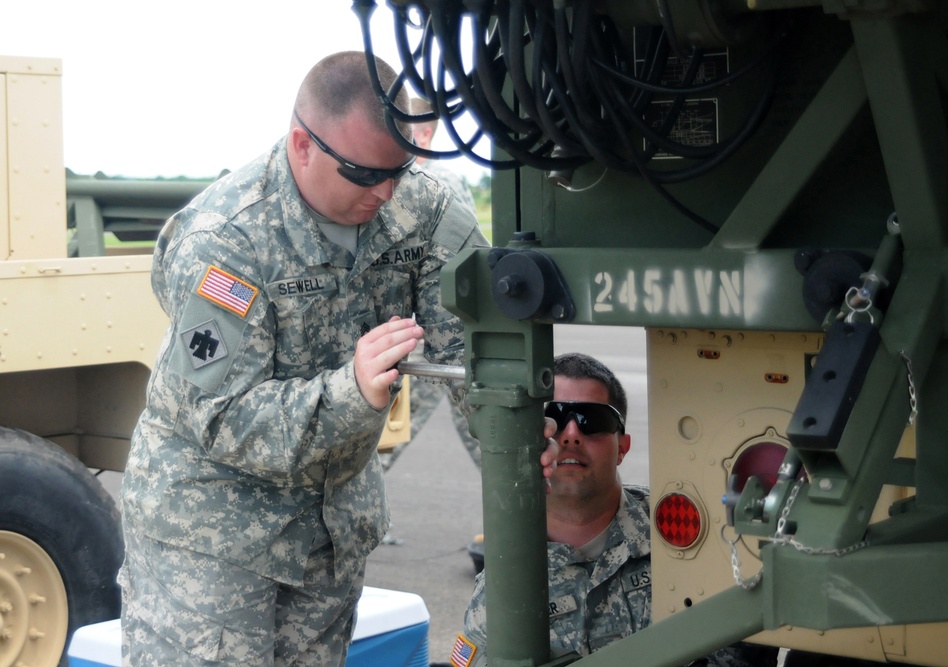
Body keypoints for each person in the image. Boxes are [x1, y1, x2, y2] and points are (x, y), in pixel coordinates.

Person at [117, 51, 488, 666]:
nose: (386, 192)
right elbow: (219, 415)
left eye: (398, 170)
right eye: (364, 174)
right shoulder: (228, 239)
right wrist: (352, 393)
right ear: (302, 145)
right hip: (211, 539)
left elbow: (474, 349)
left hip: (329, 533)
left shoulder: (421, 208)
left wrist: (537, 448)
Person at [451, 353, 778, 667]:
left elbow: (744, 646)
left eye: (592, 421)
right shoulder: (509, 576)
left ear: (622, 447)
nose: (571, 434)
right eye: (553, 417)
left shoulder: (685, 529)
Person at [381, 96, 482, 475]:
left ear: (423, 133)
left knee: (391, 430)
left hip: (429, 335)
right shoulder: (441, 181)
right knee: (478, 429)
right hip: (432, 333)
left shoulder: (436, 184)